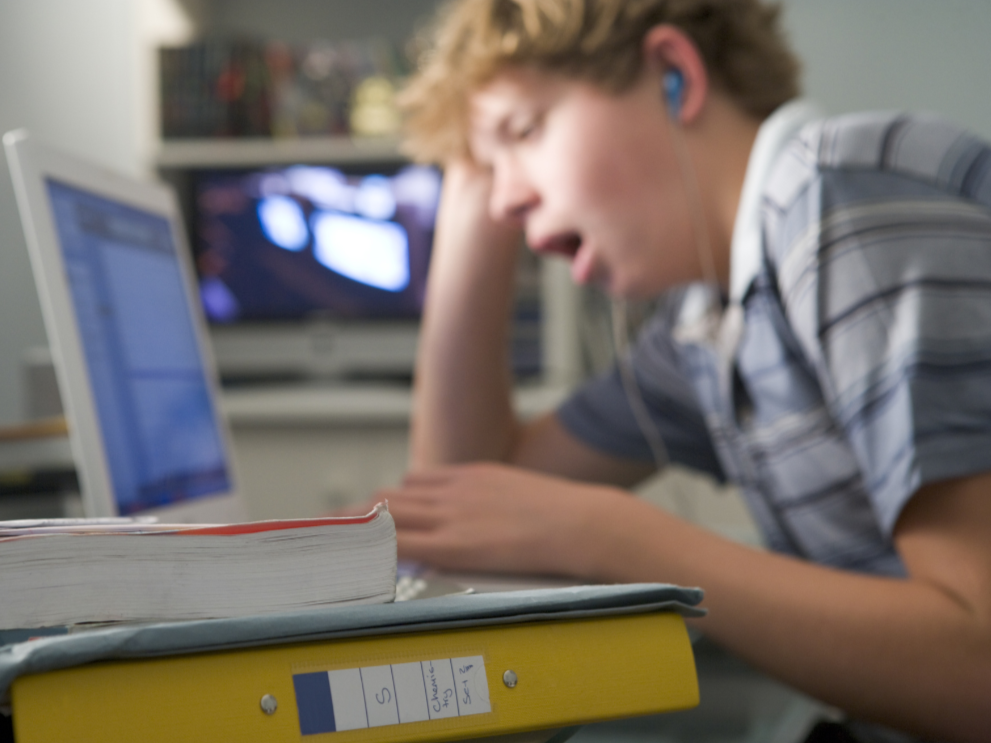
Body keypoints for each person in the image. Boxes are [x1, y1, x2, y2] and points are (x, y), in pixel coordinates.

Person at [365, 1, 991, 740]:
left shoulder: (835, 201)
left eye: (525, 130)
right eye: (490, 175)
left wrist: (612, 537)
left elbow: (975, 667)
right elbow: (465, 502)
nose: (507, 198)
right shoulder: (709, 318)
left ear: (674, 74)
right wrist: (471, 202)